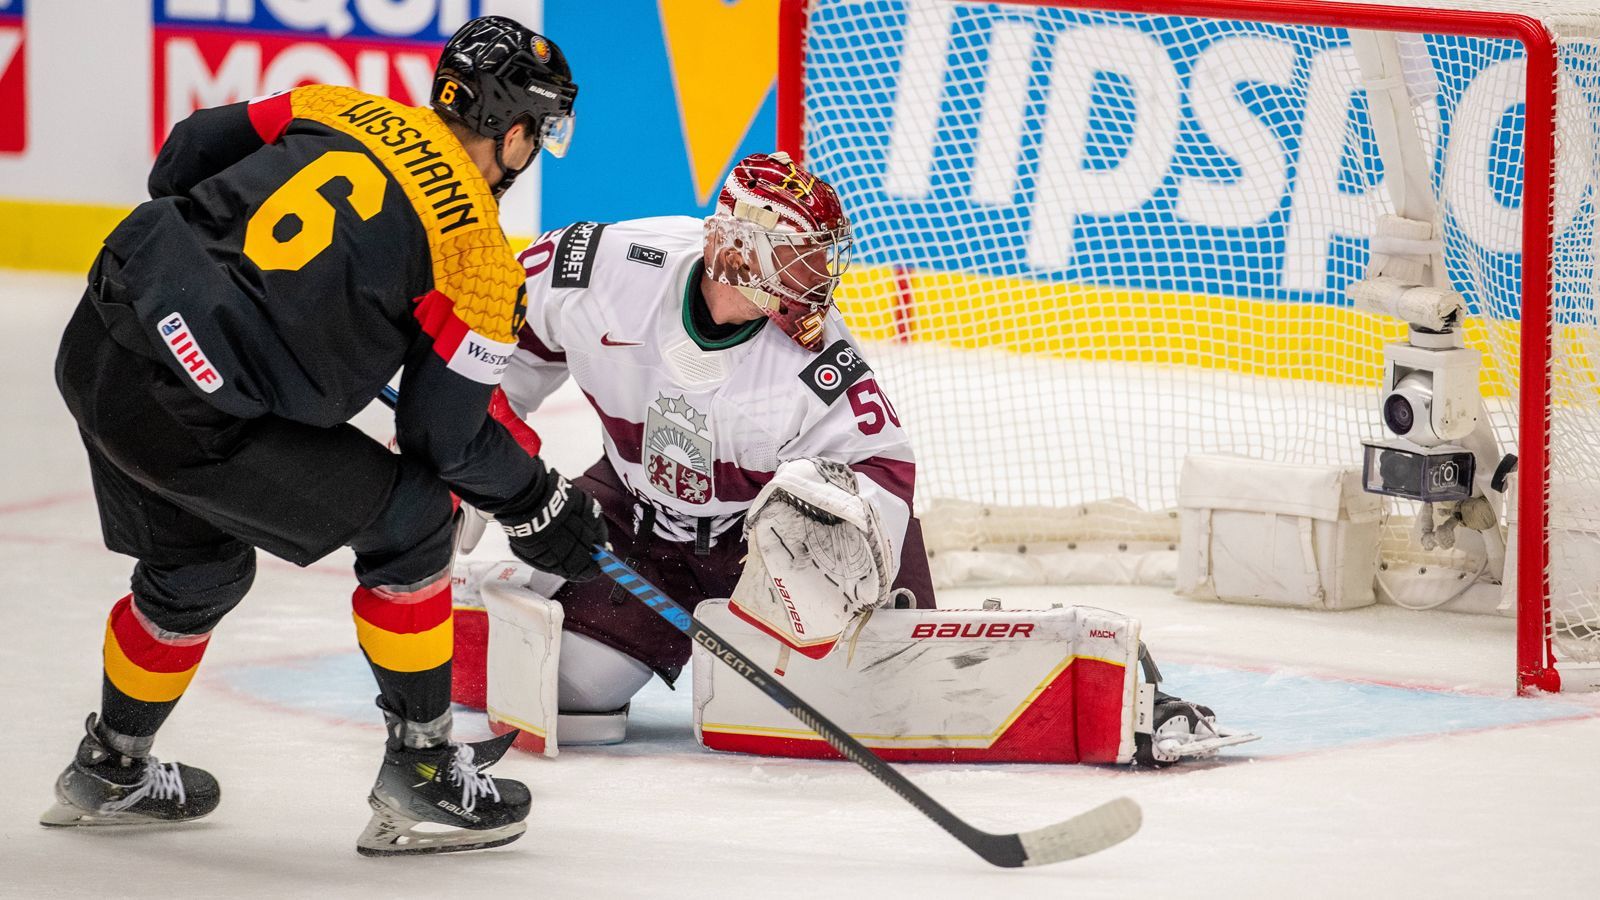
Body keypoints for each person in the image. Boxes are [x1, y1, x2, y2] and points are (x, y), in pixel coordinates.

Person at [43, 16, 606, 857]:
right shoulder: (478, 258)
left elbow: (184, 152)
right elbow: (442, 443)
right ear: (516, 130)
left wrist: (216, 280)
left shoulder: (342, 107)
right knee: (415, 521)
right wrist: (538, 502)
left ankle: (111, 766)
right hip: (194, 414)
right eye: (541, 133)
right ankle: (422, 777)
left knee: (196, 567)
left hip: (101, 342)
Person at [449, 151, 937, 743]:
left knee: (879, 701)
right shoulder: (607, 269)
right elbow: (495, 326)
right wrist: (471, 444)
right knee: (571, 696)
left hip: (755, 546)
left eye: (818, 259)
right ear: (734, 252)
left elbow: (885, 469)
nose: (818, 278)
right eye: (797, 258)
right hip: (631, 520)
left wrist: (837, 545)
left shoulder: (819, 363)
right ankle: (503, 588)